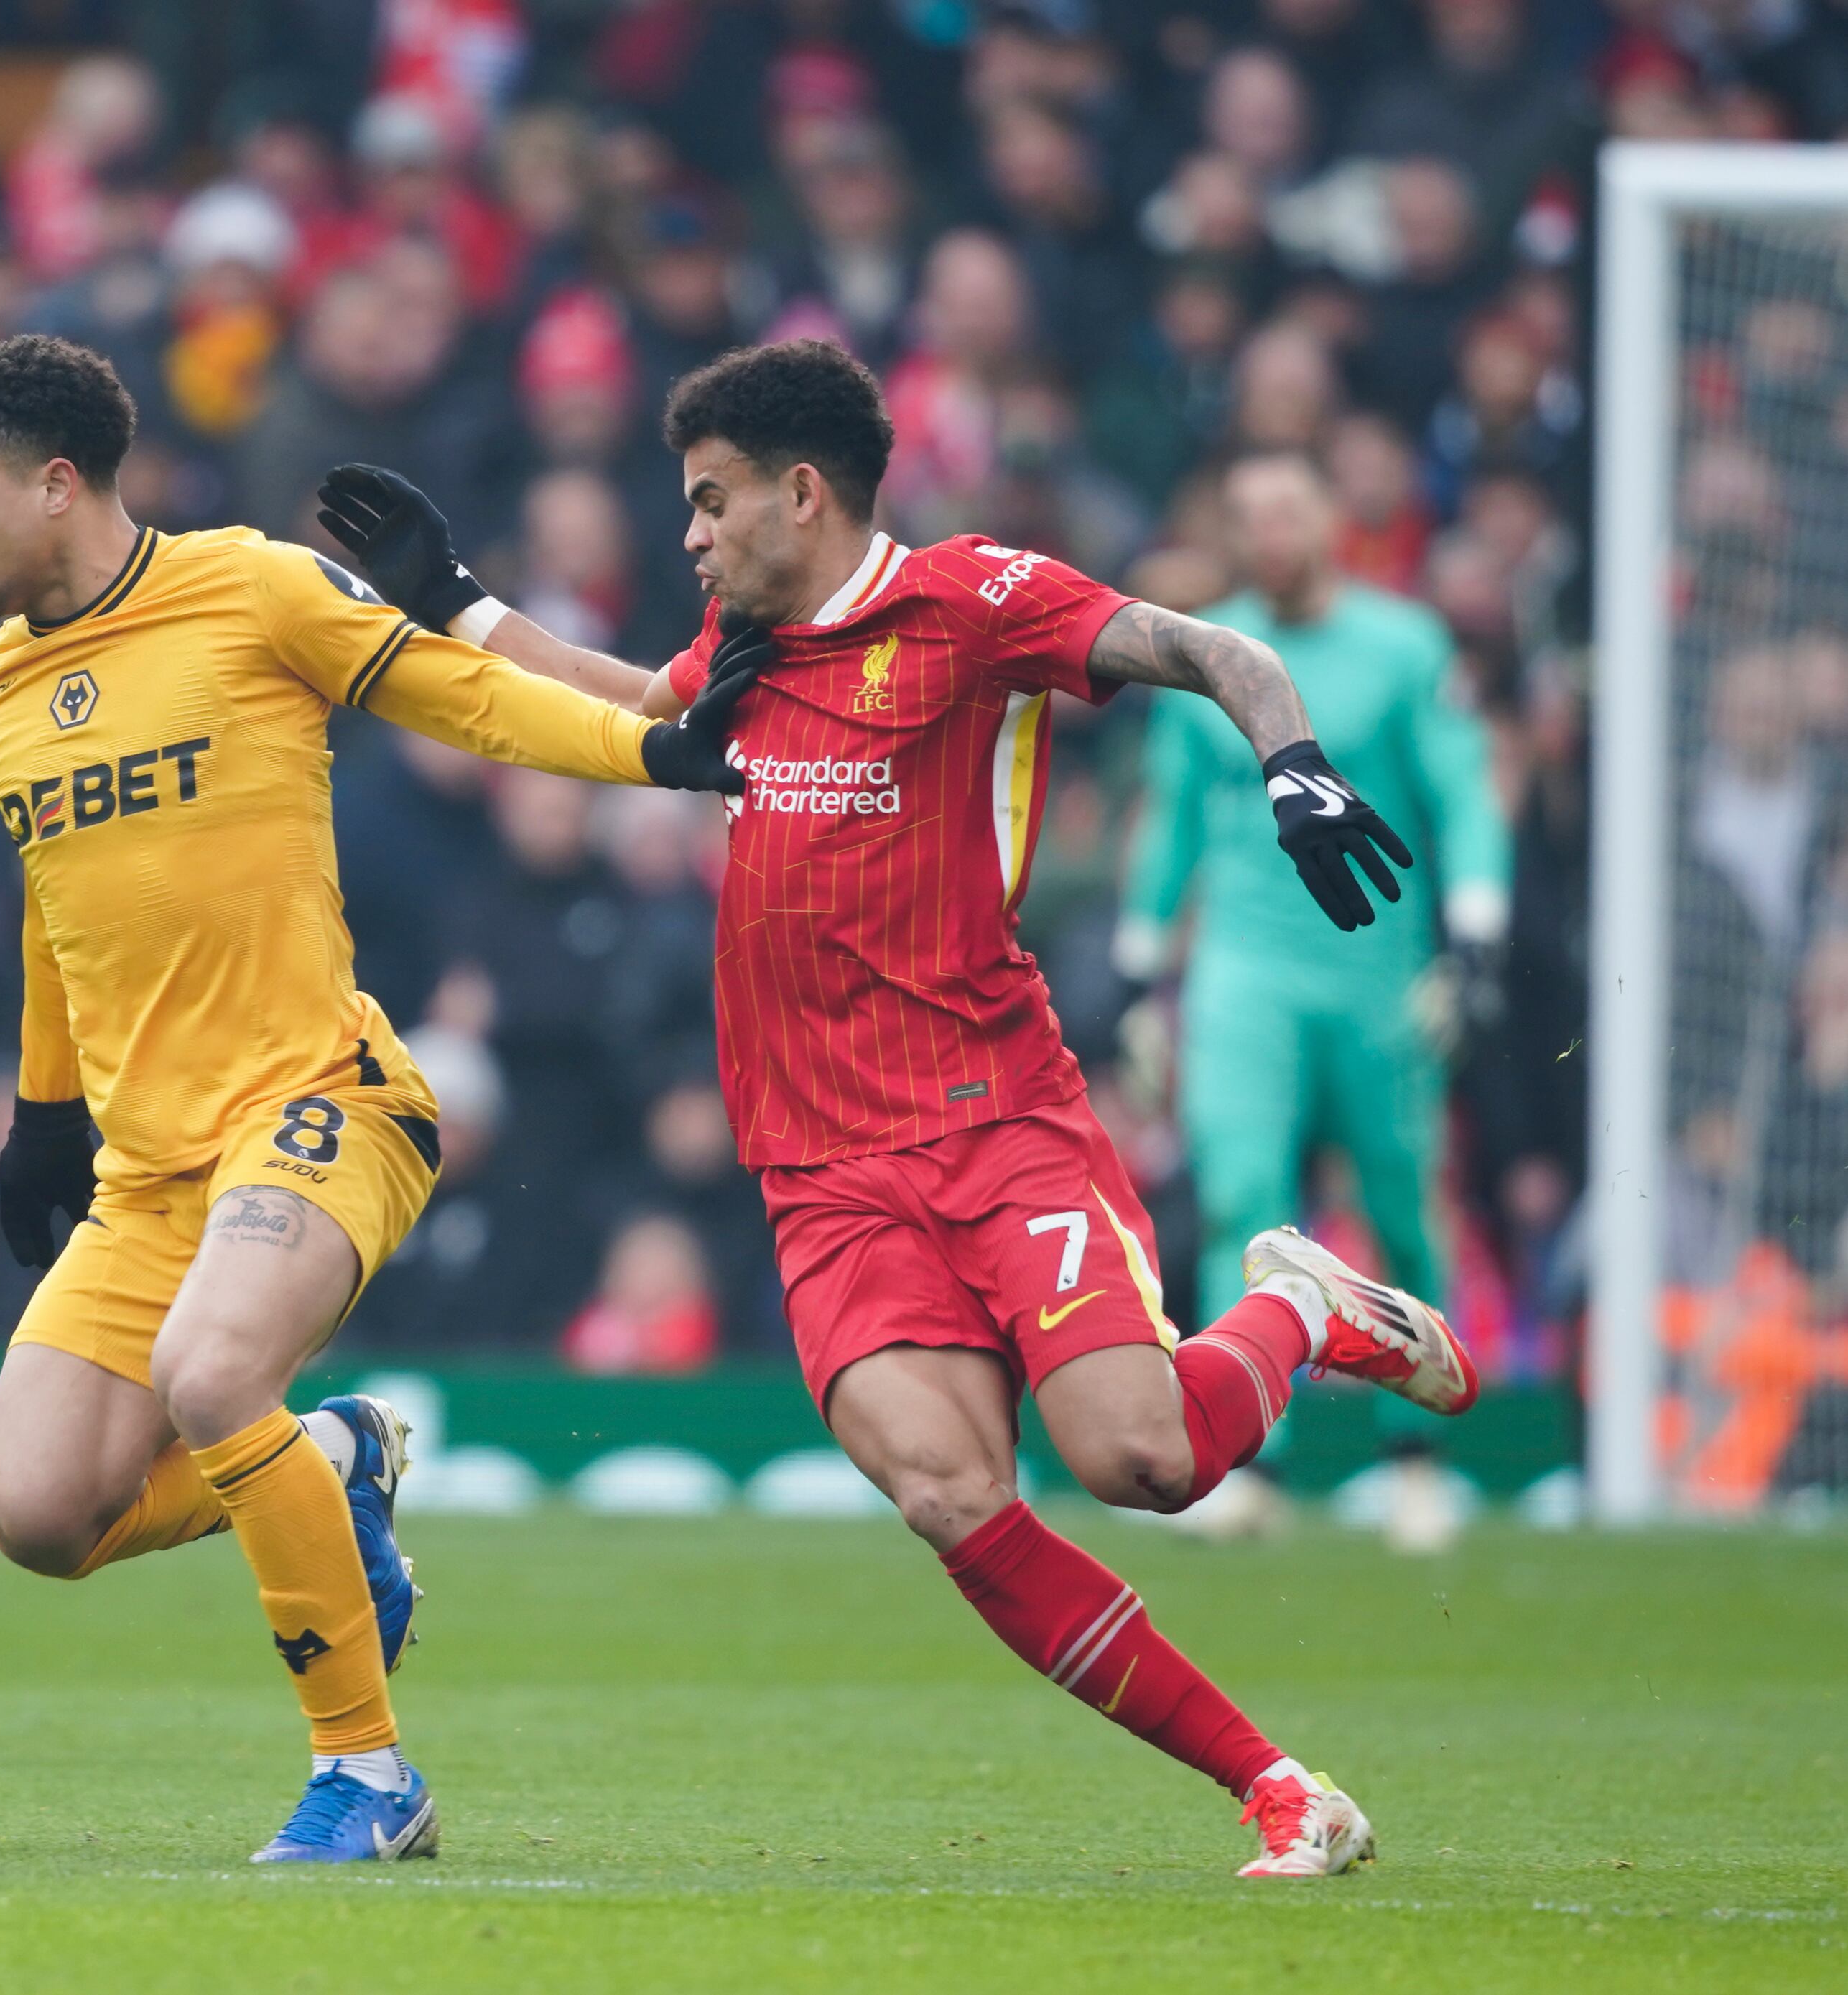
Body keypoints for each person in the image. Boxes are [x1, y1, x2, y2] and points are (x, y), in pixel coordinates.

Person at [315, 338, 1480, 1879]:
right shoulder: (744, 643)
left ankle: (1300, 1308)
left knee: (1143, 1460)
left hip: (996, 1119)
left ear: (802, 492)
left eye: (711, 500)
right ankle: (1279, 1787)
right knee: (947, 1491)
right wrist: (457, 601)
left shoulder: (974, 599)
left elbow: (1222, 651)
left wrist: (1296, 765)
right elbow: (634, 716)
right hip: (818, 1164)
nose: (690, 534)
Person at [0, 334, 743, 1864]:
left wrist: (653, 751)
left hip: (322, 1099)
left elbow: (466, 698)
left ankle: (367, 1773)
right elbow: (58, 900)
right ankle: (340, 1456)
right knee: (37, 1511)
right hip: (146, 1169)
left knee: (212, 1373)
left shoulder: (251, 586)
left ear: (56, 484)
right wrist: (45, 1110)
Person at [1118, 450, 1513, 1335]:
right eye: (1247, 516)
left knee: (1402, 1212)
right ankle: (1249, 1413)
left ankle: (1420, 1417)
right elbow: (1170, 818)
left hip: (1380, 972)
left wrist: (1475, 931)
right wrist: (1138, 971)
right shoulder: (1203, 651)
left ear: (1330, 522)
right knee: (1239, 1199)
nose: (1268, 534)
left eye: (1286, 512)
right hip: (1243, 974)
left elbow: (1463, 792)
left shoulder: (1405, 647)